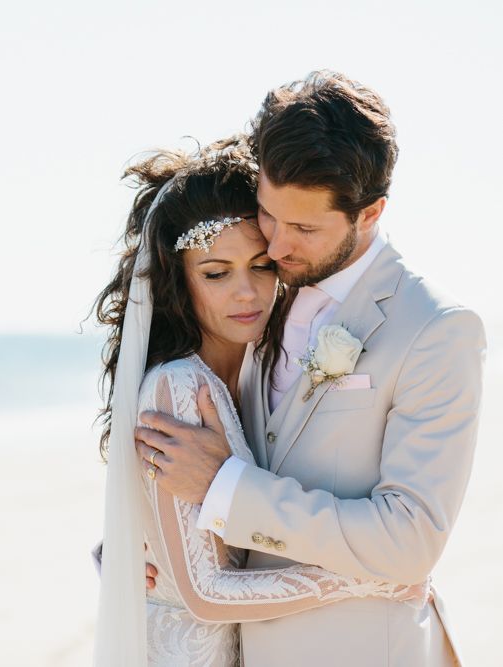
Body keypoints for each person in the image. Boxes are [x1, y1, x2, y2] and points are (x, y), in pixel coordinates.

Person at [136, 72, 486, 666]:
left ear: (370, 213)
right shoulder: (259, 296)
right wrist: (146, 552)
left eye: (303, 228)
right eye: (269, 215)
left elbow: (409, 540)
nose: (275, 246)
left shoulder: (435, 330)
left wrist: (225, 488)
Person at [93, 138, 427, 667]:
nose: (246, 293)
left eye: (260, 266)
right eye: (216, 273)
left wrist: (126, 548)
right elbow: (204, 593)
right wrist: (369, 582)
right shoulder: (179, 386)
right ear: (179, 279)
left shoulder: (257, 369)